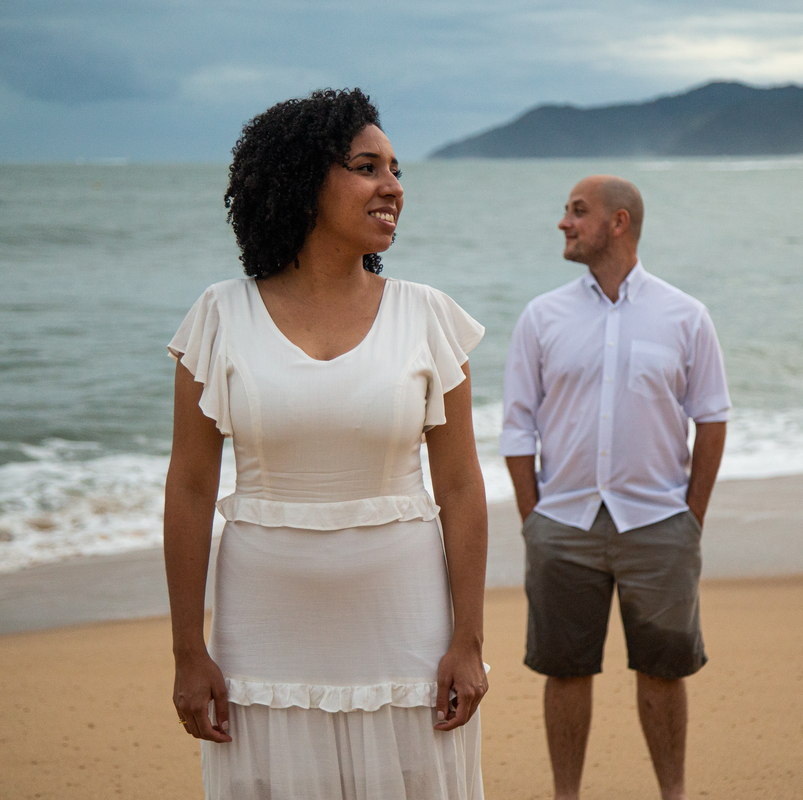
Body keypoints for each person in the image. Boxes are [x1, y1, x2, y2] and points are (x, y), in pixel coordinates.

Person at [163, 88, 489, 799]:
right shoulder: (219, 316)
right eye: (368, 166)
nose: (393, 186)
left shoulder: (427, 315)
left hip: (405, 629)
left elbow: (461, 486)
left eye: (397, 169)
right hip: (263, 634)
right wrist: (190, 651)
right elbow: (189, 489)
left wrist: (469, 642)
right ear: (305, 179)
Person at [500, 175, 729, 800]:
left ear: (618, 223)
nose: (564, 222)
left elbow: (711, 418)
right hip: (563, 526)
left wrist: (691, 518)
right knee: (565, 670)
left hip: (659, 524)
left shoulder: (686, 316)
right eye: (567, 210)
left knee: (663, 669)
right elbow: (517, 427)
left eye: (578, 211)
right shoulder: (541, 317)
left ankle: (672, 796)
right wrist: (534, 521)